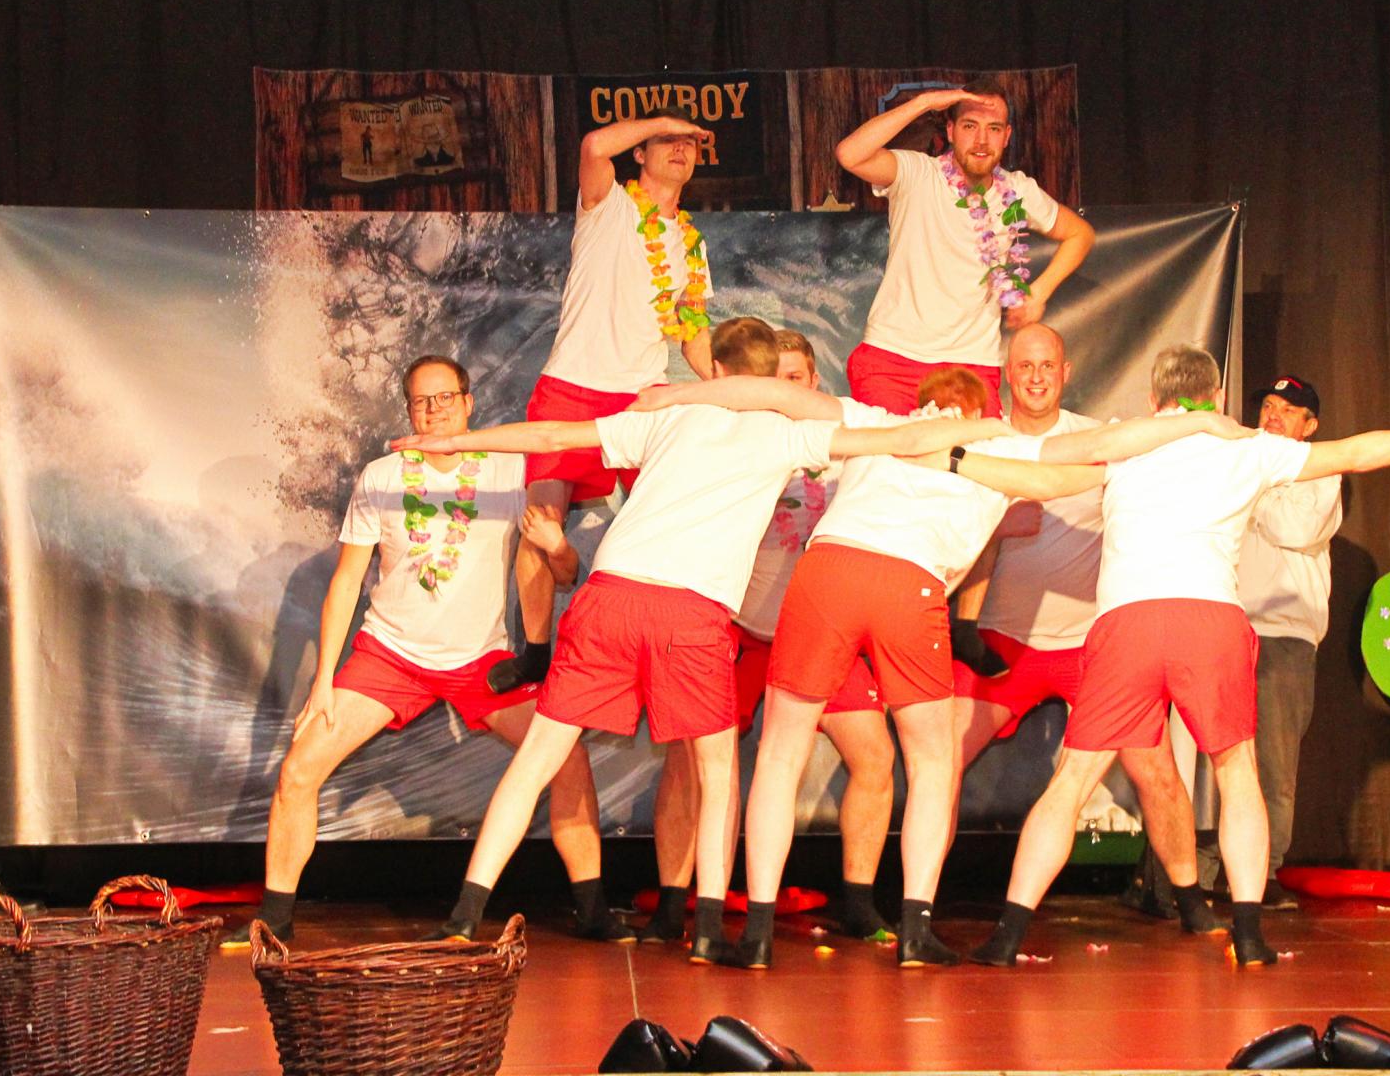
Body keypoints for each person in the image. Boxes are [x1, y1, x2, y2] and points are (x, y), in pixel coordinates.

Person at [395, 318, 1003, 963]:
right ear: (768, 378)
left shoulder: (668, 416)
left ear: (713, 370)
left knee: (537, 761)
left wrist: (456, 440)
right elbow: (905, 438)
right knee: (717, 775)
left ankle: (464, 916)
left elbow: (550, 435)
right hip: (691, 613)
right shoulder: (788, 434)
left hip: (612, 597)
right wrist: (992, 430)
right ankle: (708, 932)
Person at [634, 363, 1257, 967]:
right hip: (907, 584)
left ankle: (758, 935)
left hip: (829, 571)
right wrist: (1193, 427)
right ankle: (915, 929)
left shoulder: (878, 422)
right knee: (933, 762)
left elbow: (778, 396)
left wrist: (679, 396)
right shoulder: (993, 445)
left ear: (923, 403)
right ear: (980, 410)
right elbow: (1094, 456)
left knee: (779, 752)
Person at [966, 344, 1390, 968]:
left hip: (1128, 622)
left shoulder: (1126, 441)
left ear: (1153, 399)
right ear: (1218, 398)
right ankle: (1250, 936)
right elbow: (1358, 451)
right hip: (1210, 621)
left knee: (1071, 780)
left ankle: (1007, 937)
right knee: (1238, 775)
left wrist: (954, 457)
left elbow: (1040, 471)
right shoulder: (1245, 447)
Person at [223, 356, 625, 948]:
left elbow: (563, 573)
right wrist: (324, 681)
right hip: (390, 655)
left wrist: (558, 544)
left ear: (468, 403)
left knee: (568, 758)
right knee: (298, 769)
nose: (434, 410)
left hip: (481, 661)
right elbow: (345, 582)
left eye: (445, 398)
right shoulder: (382, 476)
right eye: (421, 401)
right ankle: (275, 920)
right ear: (408, 409)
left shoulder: (511, 470)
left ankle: (592, 911)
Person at [634, 330, 899, 947]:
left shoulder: (844, 442)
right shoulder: (730, 435)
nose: (786, 390)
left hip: (819, 632)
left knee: (875, 755)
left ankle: (860, 902)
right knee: (691, 764)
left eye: (797, 378)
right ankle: (674, 903)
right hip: (738, 632)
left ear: (815, 382)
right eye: (774, 379)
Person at [960, 325, 1218, 936]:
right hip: (1002, 641)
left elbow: (1168, 468)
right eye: (1025, 366)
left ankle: (1189, 898)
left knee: (1157, 771)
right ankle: (916, 902)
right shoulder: (983, 444)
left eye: (1047, 365)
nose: (1037, 377)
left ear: (1066, 371)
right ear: (1007, 372)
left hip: (1091, 647)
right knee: (938, 758)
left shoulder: (1102, 441)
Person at [500, 108, 716, 695]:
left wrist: (731, 383)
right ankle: (536, 654)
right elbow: (595, 145)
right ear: (640, 153)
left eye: (690, 143)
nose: (680, 149)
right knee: (541, 523)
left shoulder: (692, 245)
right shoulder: (608, 205)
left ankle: (667, 642)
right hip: (572, 385)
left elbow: (692, 332)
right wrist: (666, 118)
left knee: (672, 516)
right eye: (666, 140)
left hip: (643, 394)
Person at [834, 79, 1095, 416]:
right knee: (893, 450)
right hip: (894, 359)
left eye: (993, 128)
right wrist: (924, 103)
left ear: (1007, 136)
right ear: (951, 131)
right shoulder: (918, 173)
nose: (982, 140)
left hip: (971, 364)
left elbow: (1080, 234)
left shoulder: (1017, 190)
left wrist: (1039, 292)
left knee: (983, 448)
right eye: (970, 126)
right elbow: (849, 154)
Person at [1196, 376, 1342, 908]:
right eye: (1268, 405)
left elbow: (1294, 527)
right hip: (1227, 628)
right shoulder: (1238, 461)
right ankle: (1197, 873)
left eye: (1288, 409)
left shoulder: (1321, 467)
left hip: (1284, 636)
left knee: (1274, 762)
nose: (1274, 414)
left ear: (1310, 425)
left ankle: (1265, 873)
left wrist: (1251, 486)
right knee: (1215, 756)